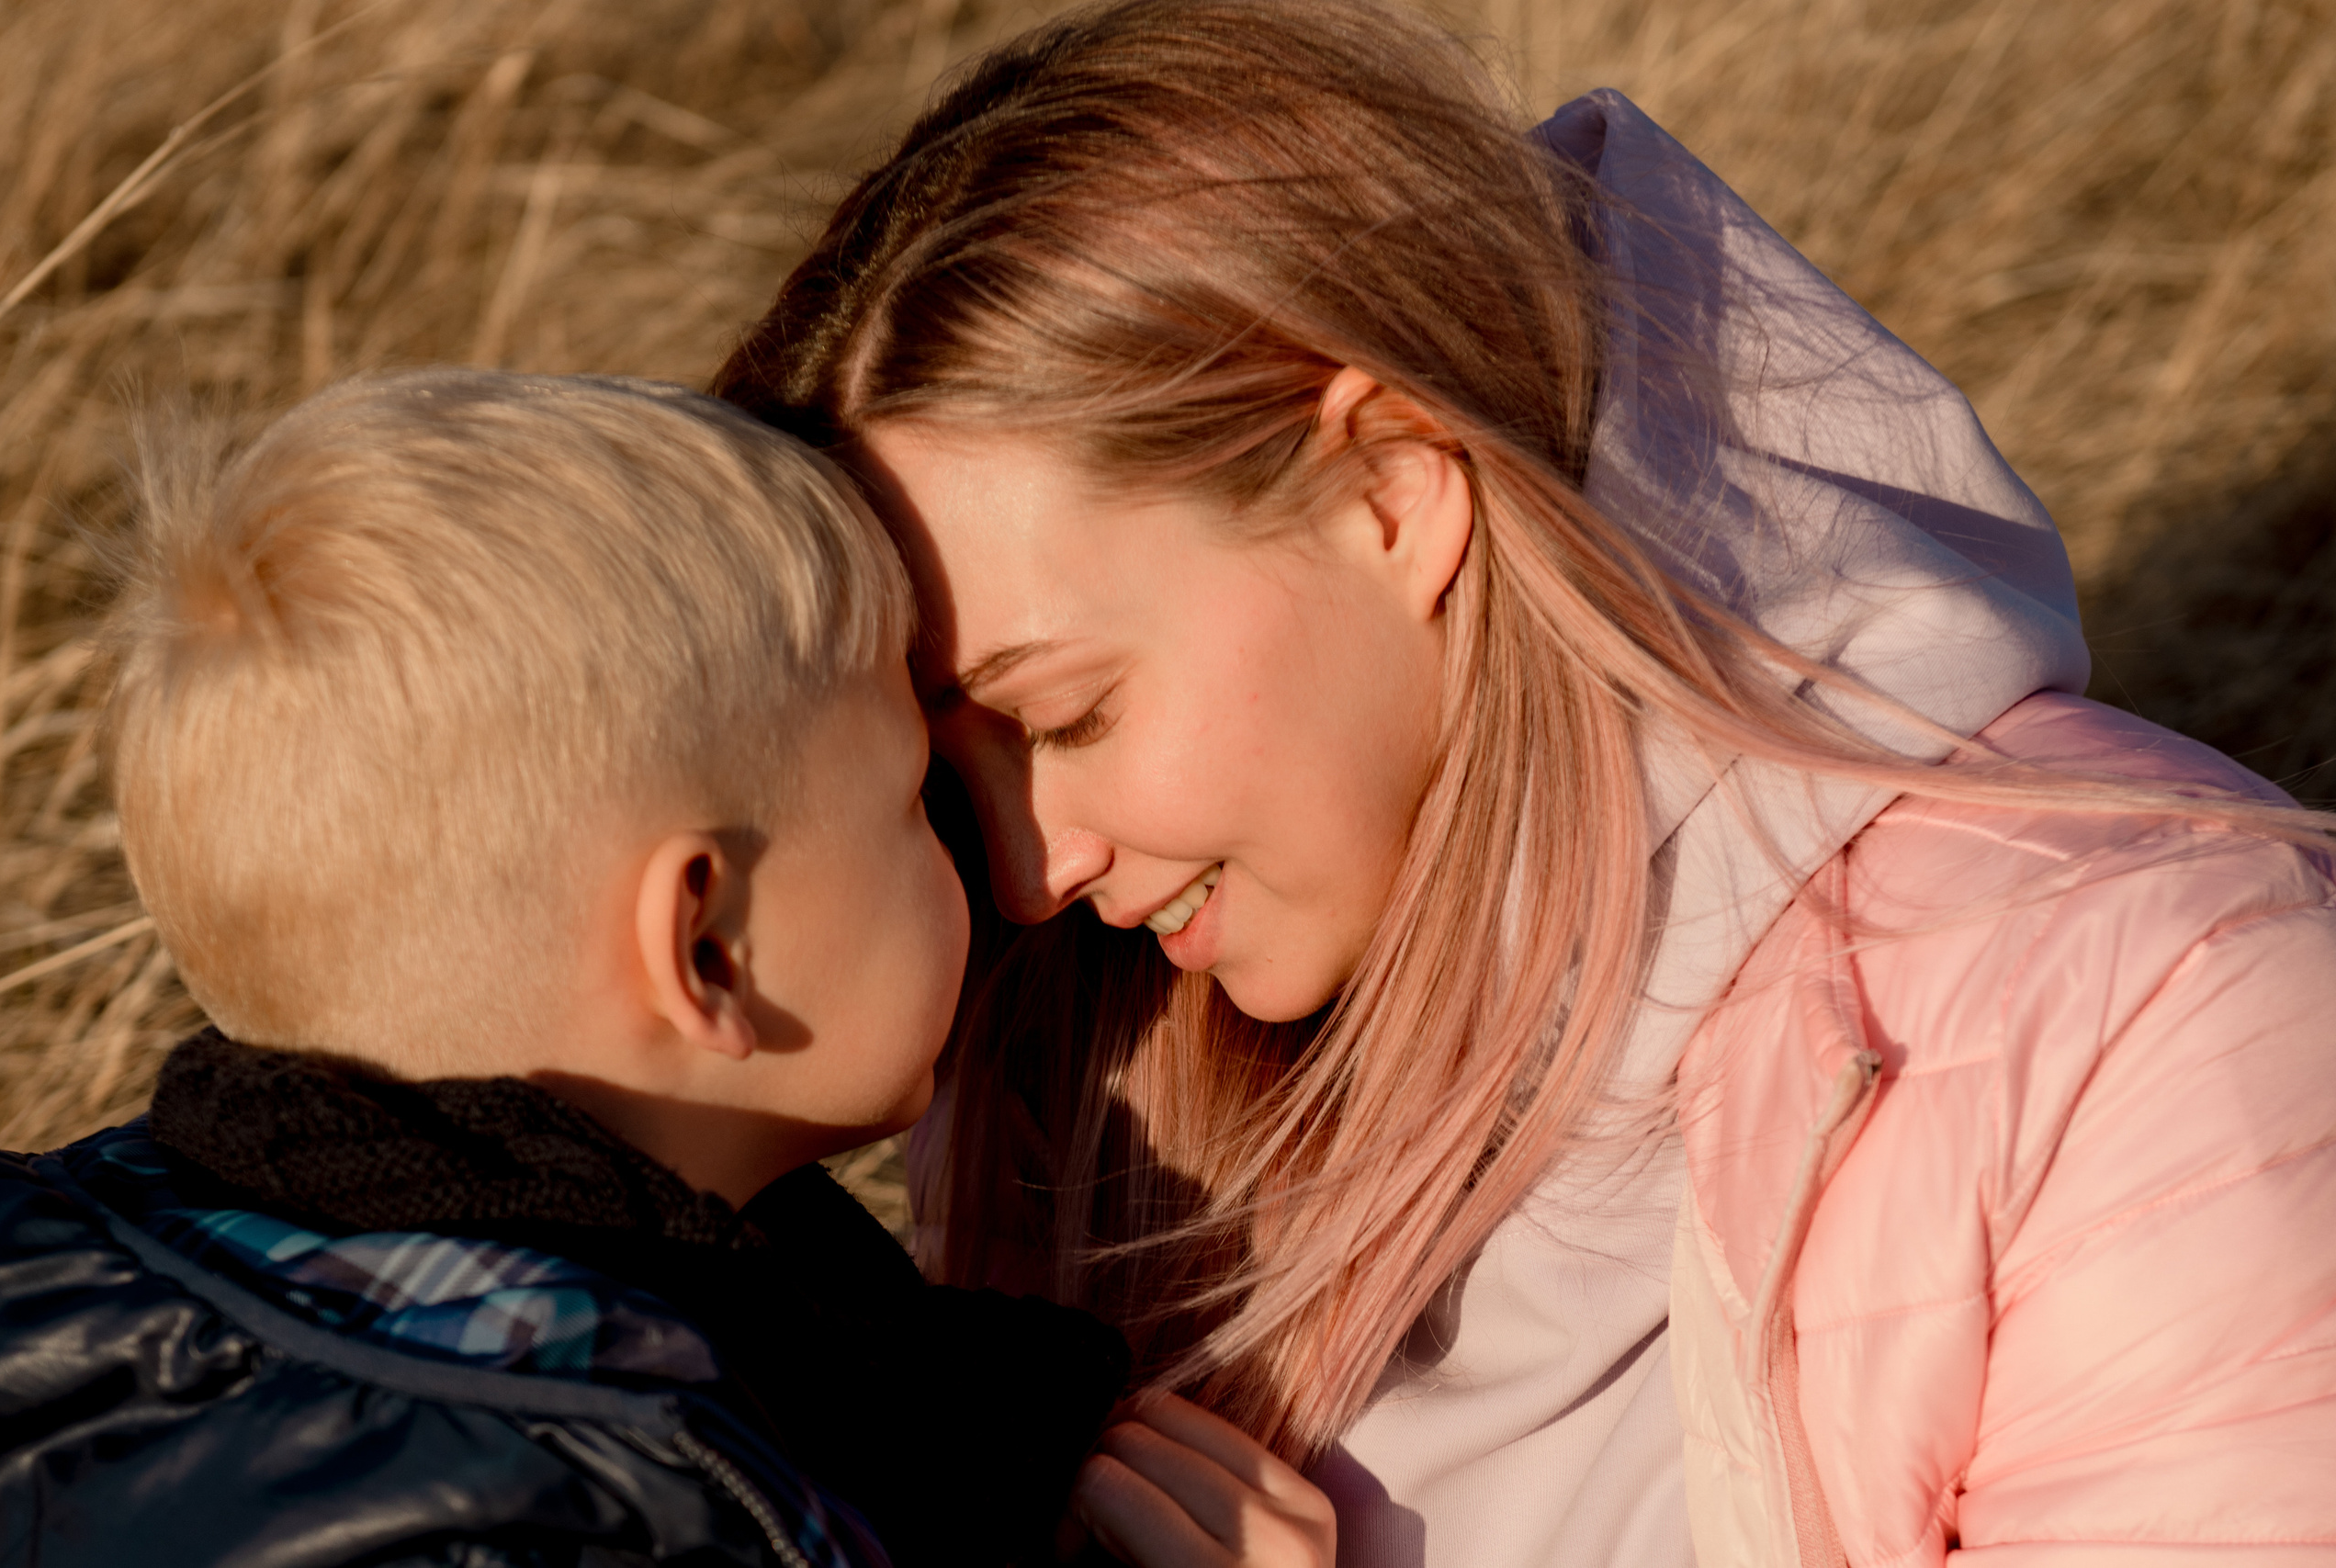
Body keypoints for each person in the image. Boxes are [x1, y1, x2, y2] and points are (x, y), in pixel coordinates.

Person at [709, 1, 2336, 1563]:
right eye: (952, 772)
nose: (1029, 869)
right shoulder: (1075, 1044)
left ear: (1390, 492)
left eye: (1068, 716)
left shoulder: (2149, 1018)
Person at [0, 369, 1136, 1568]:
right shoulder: (596, 1519)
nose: (1003, 860)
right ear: (708, 947)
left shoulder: (66, 1269)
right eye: (911, 796)